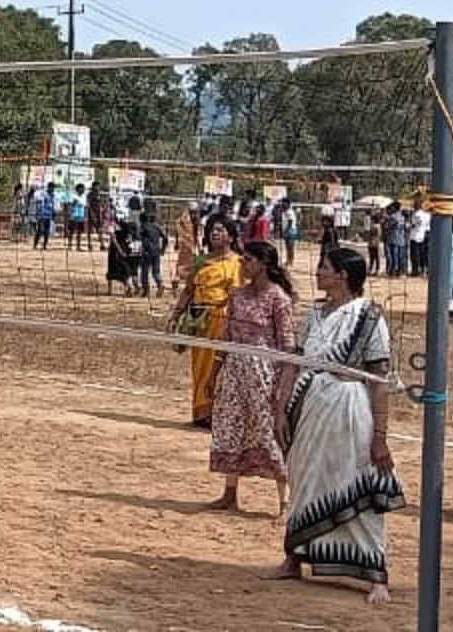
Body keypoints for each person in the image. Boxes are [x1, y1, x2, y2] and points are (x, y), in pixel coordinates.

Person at [261, 247, 406, 603]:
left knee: (355, 480)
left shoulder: (370, 317)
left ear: (342, 275)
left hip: (348, 409)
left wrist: (380, 437)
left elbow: (379, 379)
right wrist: (280, 410)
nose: (318, 273)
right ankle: (294, 557)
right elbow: (293, 362)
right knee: (305, 479)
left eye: (324, 268)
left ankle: (375, 573)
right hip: (309, 407)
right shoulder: (314, 313)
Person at [207, 240, 297, 514]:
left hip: (265, 374)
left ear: (263, 264)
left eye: (248, 260)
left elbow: (288, 345)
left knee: (269, 432)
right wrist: (214, 374)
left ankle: (284, 501)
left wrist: (283, 385)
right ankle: (230, 493)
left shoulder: (278, 298)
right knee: (231, 427)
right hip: (235, 372)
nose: (242, 264)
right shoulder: (238, 296)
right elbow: (227, 338)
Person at [170, 223, 244, 427]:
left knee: (218, 366)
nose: (215, 233)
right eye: (213, 229)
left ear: (231, 236)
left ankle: (218, 413)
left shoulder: (239, 263)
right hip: (198, 318)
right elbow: (188, 290)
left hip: (223, 318)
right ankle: (201, 412)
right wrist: (176, 316)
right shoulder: (201, 261)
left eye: (221, 229)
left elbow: (239, 295)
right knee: (200, 365)